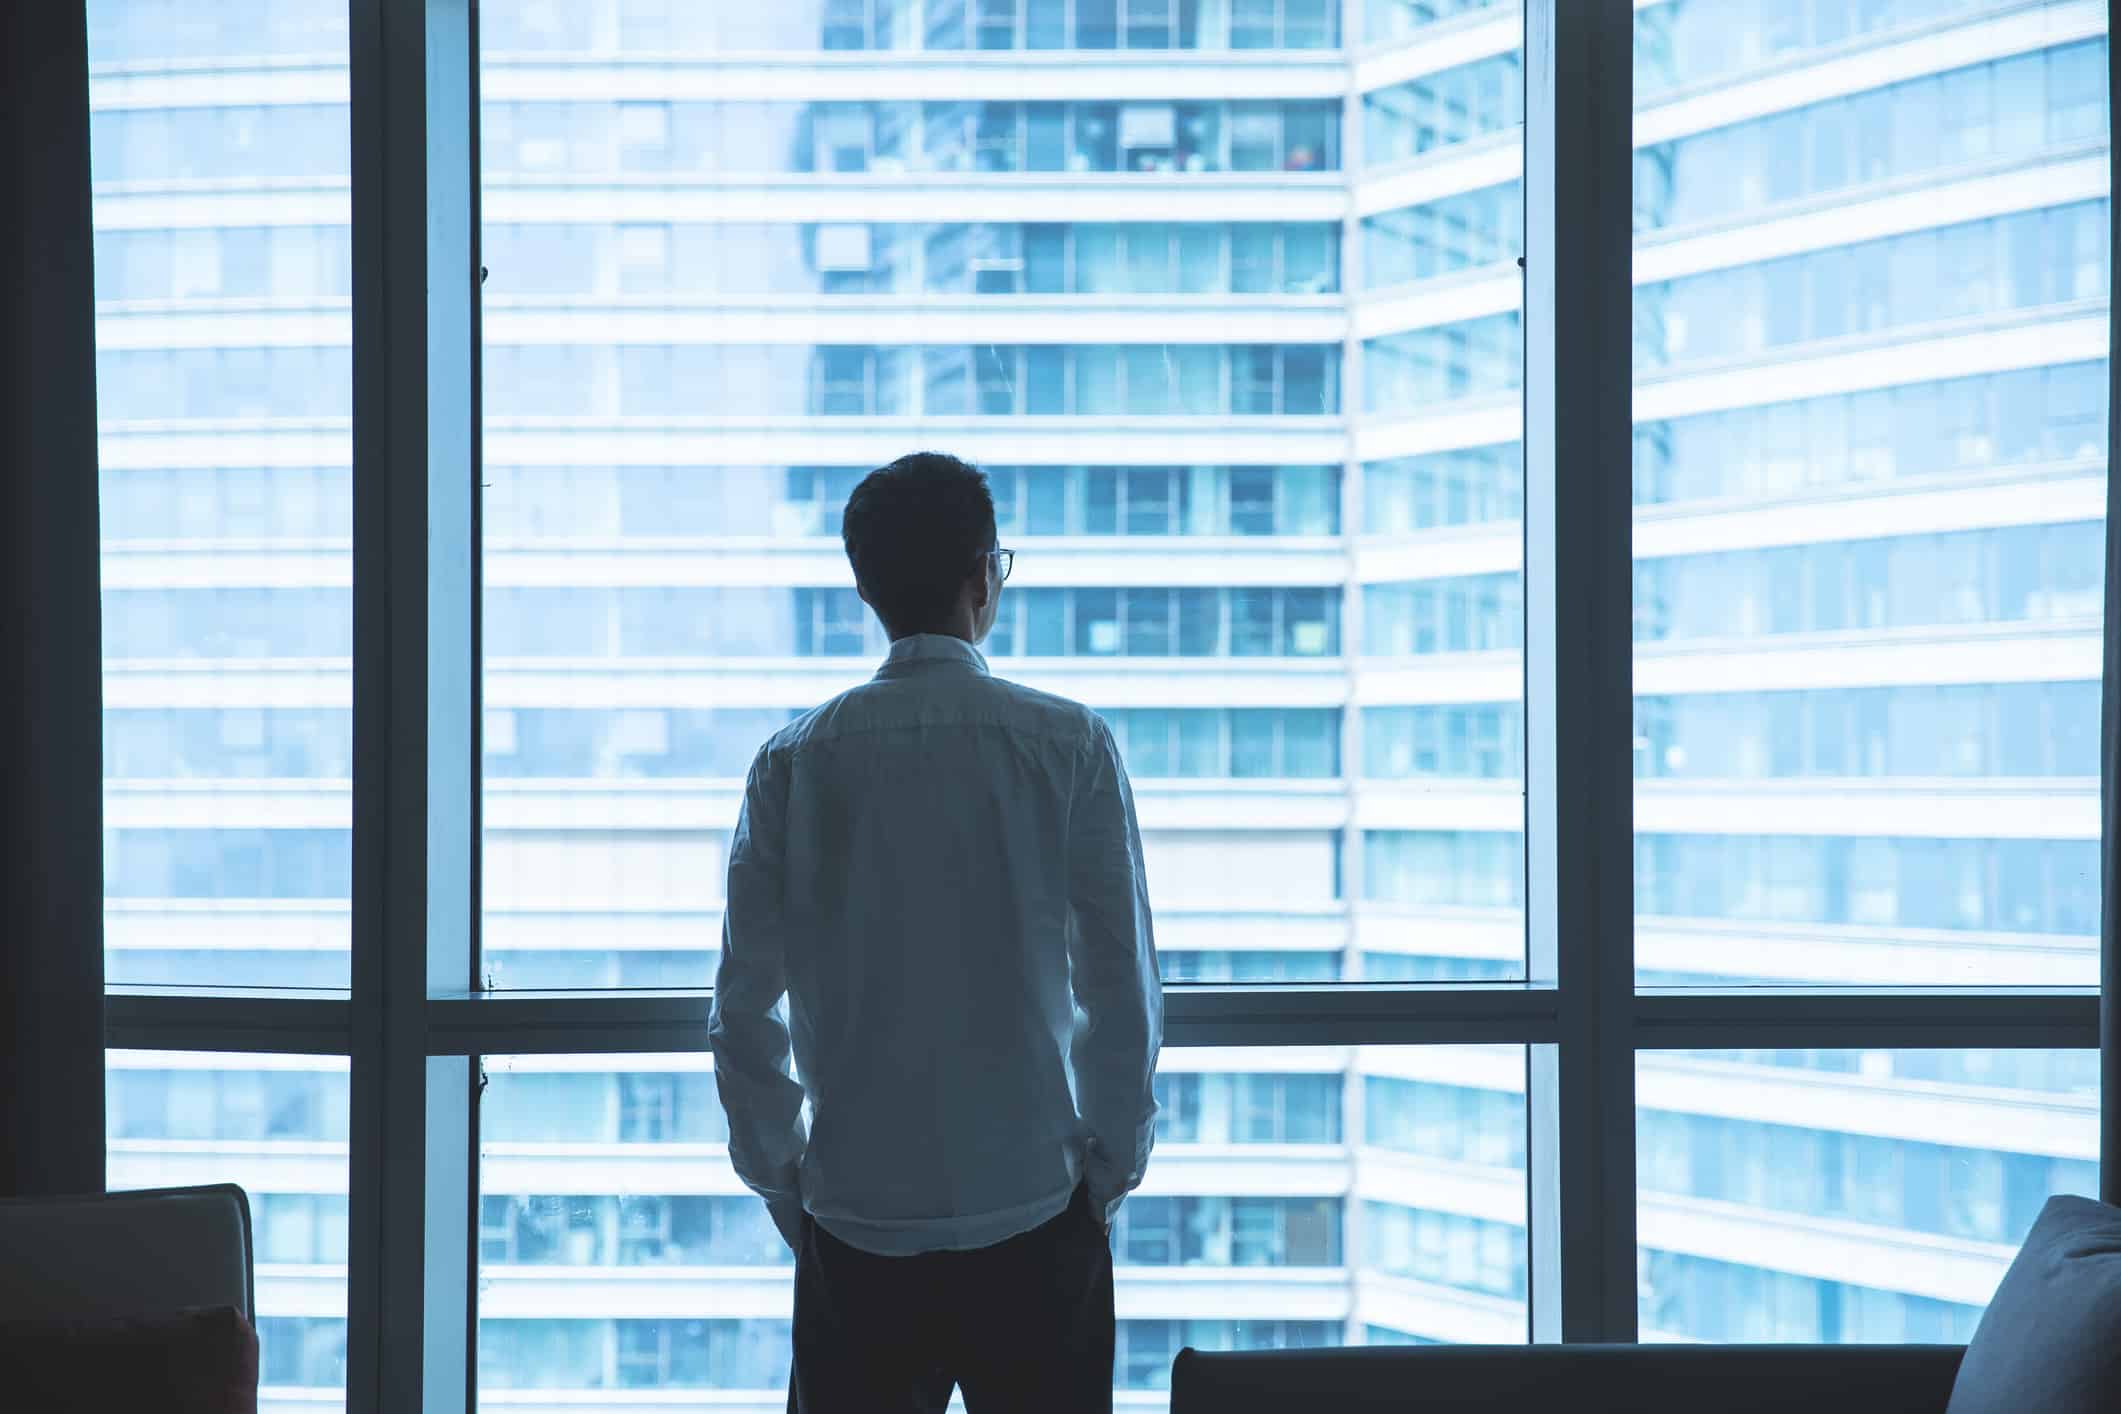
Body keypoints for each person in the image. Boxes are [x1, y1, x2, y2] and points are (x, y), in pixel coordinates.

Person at [709, 450, 1163, 1413]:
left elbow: (742, 1008)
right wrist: (1107, 1174)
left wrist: (785, 1181)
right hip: (1037, 1211)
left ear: (865, 588)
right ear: (985, 574)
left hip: (856, 1219)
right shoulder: (1069, 744)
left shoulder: (792, 764)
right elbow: (1119, 988)